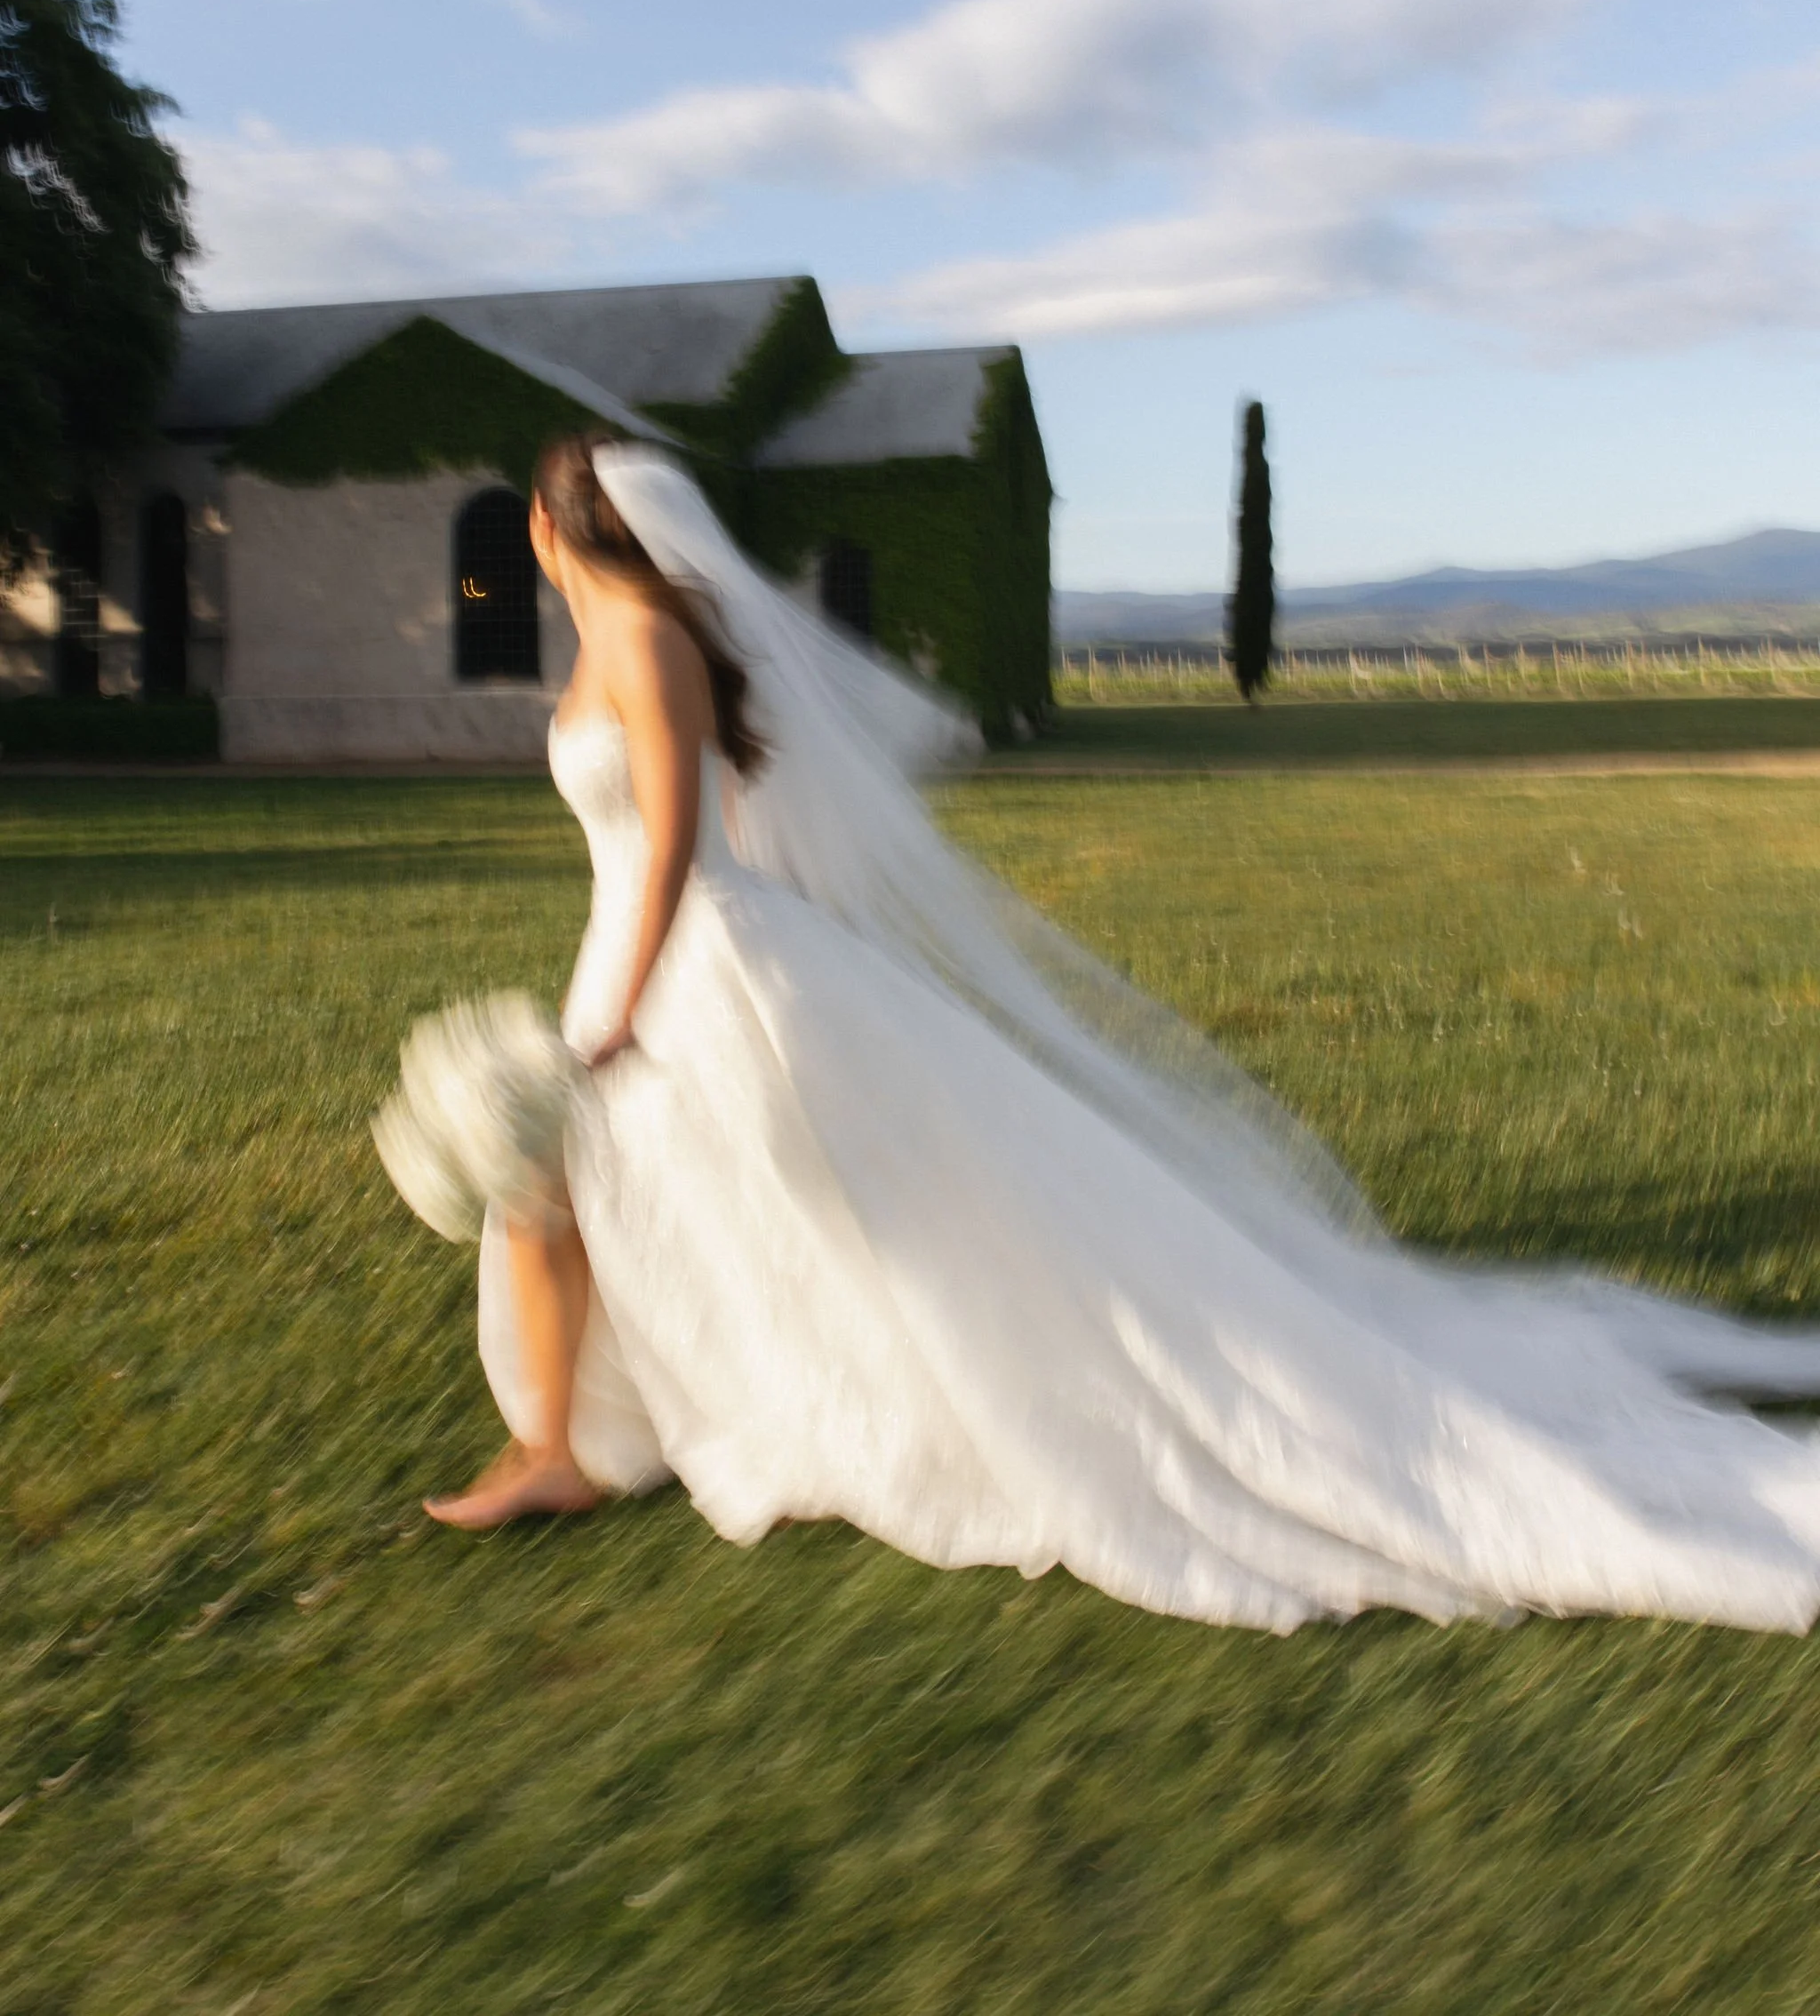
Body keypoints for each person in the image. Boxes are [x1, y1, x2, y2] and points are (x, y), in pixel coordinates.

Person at [406, 430, 1820, 1630]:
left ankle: (572, 1446)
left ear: (546, 526)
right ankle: (563, 1443)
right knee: (601, 1195)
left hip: (690, 954)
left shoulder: (648, 639)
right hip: (650, 954)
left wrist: (620, 1012)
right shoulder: (619, 633)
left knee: (654, 1192)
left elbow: (665, 849)